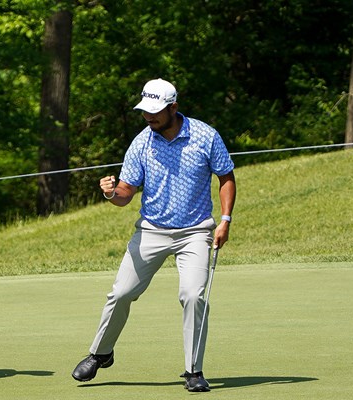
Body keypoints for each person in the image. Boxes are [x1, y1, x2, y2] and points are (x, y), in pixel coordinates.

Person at [71, 79, 236, 392]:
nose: (149, 117)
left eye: (156, 112)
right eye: (145, 111)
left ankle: (193, 371)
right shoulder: (142, 142)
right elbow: (126, 193)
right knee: (120, 293)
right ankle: (100, 353)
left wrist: (225, 220)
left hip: (195, 231)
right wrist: (110, 193)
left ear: (173, 108)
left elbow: (226, 176)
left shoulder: (204, 135)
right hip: (151, 231)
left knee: (193, 296)